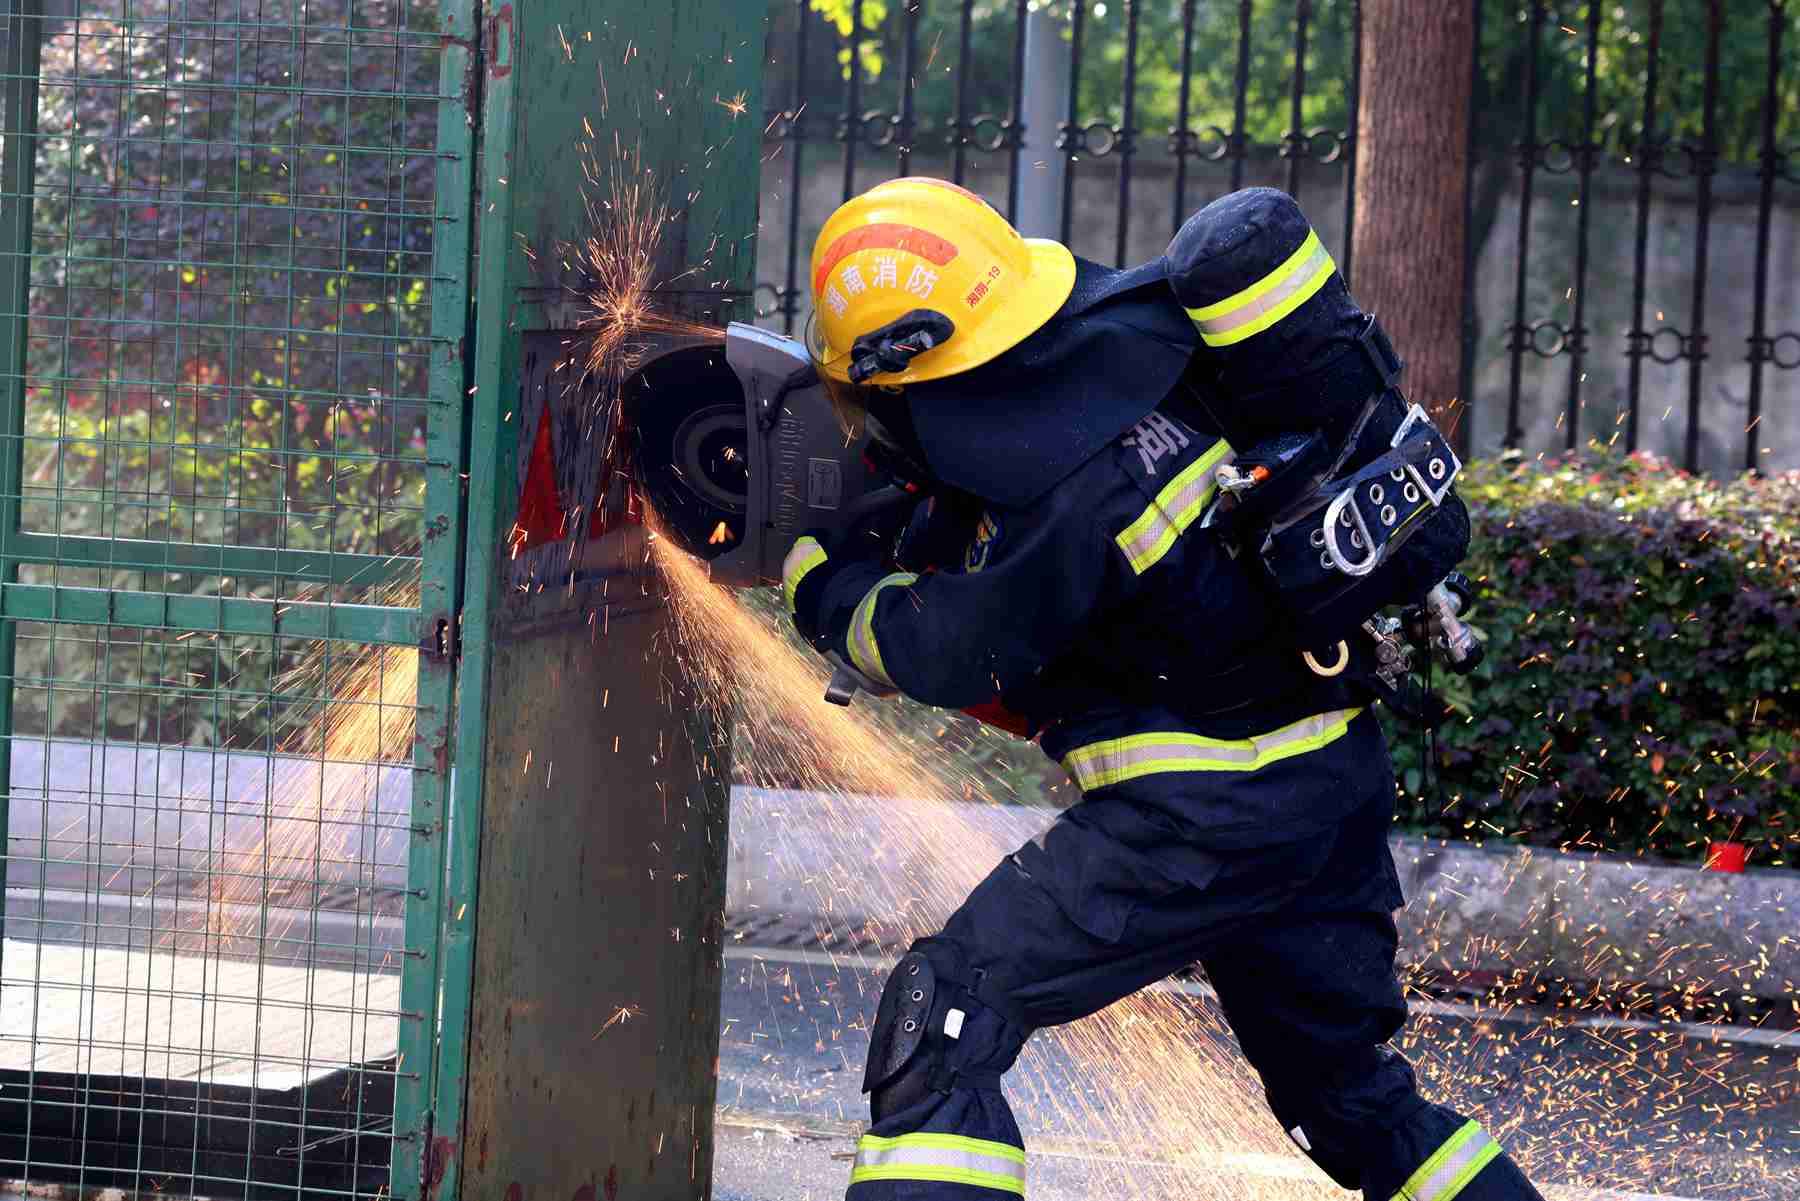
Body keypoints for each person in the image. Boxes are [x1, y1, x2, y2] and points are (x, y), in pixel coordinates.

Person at [782, 175, 1544, 1201]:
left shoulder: (1062, 488)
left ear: (910, 374)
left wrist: (820, 585)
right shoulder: (1155, 361)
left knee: (946, 1013)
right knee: (1357, 1103)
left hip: (1194, 818)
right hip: (1326, 786)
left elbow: (946, 650)